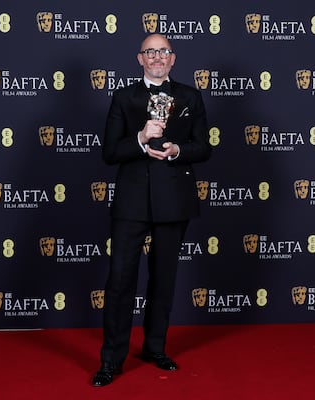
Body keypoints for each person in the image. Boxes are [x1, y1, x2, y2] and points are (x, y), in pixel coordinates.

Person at [92, 33, 212, 387]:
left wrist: (177, 149)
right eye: (150, 52)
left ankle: (154, 347)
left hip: (174, 199)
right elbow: (110, 152)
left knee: (164, 278)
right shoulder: (124, 96)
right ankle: (111, 359)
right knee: (120, 280)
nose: (157, 57)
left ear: (172, 59)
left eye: (163, 51)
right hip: (132, 201)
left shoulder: (190, 96)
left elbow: (204, 148)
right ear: (139, 58)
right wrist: (142, 138)